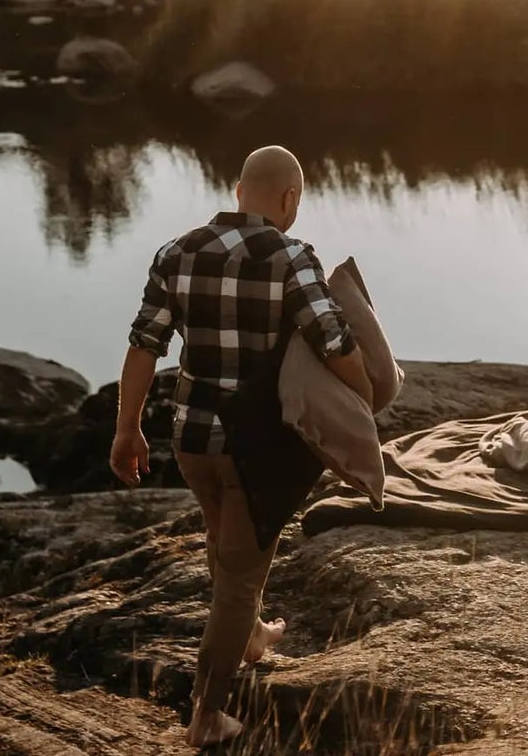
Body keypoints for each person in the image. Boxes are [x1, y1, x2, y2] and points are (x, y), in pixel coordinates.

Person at [109, 144, 373, 748]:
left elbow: (145, 344)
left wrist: (127, 429)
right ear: (290, 198)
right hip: (257, 449)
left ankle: (251, 635)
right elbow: (333, 339)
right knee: (238, 579)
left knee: (224, 544)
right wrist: (364, 400)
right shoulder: (291, 256)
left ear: (237, 191)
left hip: (192, 440)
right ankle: (207, 714)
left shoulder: (177, 252)